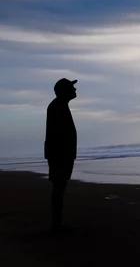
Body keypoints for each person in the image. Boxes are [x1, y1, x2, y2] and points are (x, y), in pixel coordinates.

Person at [45, 78, 78, 232]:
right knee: (59, 186)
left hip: (61, 154)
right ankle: (56, 224)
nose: (75, 90)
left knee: (60, 186)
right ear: (64, 91)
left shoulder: (59, 105)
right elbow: (58, 134)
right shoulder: (57, 107)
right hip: (60, 155)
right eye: (72, 87)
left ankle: (57, 223)